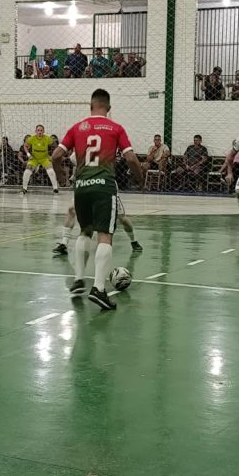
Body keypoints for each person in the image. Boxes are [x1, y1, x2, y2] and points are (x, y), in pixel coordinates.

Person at [52, 87, 144, 311]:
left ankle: (78, 280)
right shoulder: (115, 128)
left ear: (90, 106)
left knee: (85, 231)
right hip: (104, 186)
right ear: (108, 108)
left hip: (81, 186)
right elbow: (131, 158)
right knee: (105, 235)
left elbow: (56, 155)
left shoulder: (77, 127)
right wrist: (140, 179)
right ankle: (99, 289)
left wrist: (62, 176)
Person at [54, 200, 142, 256]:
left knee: (122, 218)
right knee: (72, 209)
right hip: (87, 187)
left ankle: (134, 241)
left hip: (106, 188)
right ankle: (64, 244)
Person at [21, 124, 59, 195]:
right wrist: (28, 155)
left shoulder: (47, 138)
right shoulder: (32, 138)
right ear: (35, 131)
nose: (40, 132)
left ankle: (55, 188)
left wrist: (52, 156)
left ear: (43, 131)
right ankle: (24, 188)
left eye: (41, 130)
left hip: (44, 158)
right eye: (38, 130)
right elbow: (25, 146)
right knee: (27, 172)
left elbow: (55, 146)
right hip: (34, 159)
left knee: (50, 171)